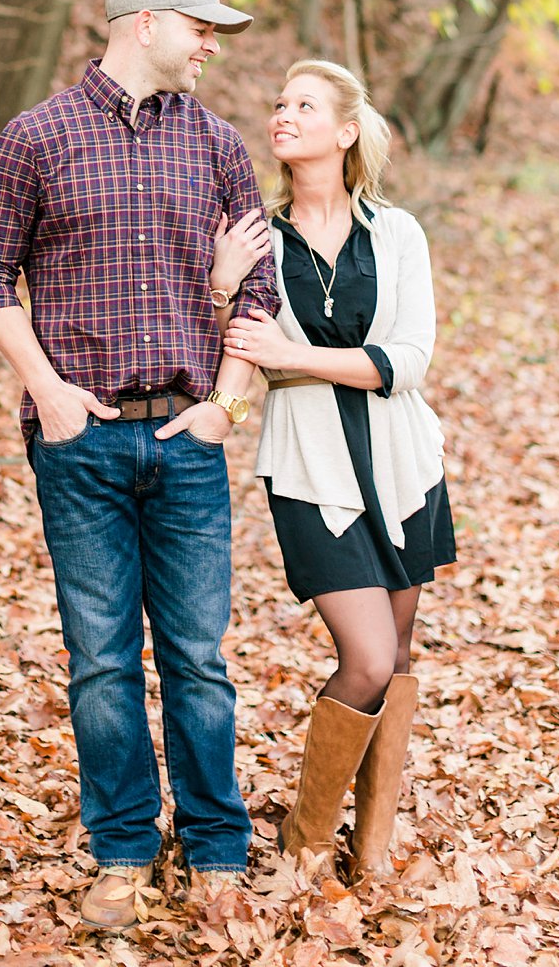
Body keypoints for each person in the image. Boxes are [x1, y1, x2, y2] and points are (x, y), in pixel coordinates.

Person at [0, 0, 279, 929]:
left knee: (196, 657)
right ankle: (123, 849)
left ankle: (216, 845)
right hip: (79, 442)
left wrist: (225, 401)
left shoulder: (218, 145)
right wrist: (45, 389)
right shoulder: (33, 138)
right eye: (199, 27)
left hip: (185, 440)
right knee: (99, 658)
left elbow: (259, 291)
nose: (209, 45)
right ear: (144, 23)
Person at [214, 60, 454, 879]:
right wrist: (222, 290)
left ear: (346, 129)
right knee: (368, 656)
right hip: (312, 472)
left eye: (304, 104)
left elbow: (409, 361)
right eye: (277, 103)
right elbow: (244, 353)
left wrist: (297, 353)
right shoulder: (256, 235)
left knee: (401, 650)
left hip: (404, 467)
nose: (282, 114)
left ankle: (372, 846)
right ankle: (308, 839)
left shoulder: (399, 233)